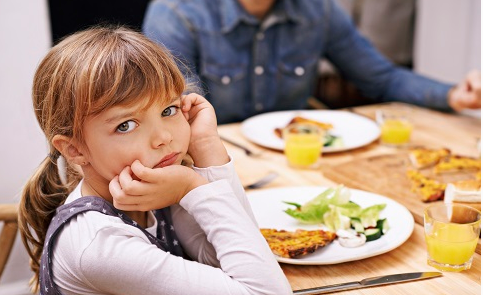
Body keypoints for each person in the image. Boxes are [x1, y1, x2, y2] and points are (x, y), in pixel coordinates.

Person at [18, 26, 292, 295]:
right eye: (126, 125)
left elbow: (240, 259)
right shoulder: (99, 246)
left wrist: (207, 148)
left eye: (169, 109)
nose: (162, 137)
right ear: (75, 150)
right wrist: (193, 188)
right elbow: (267, 290)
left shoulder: (158, 187)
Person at [142, 0, 481, 124]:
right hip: (216, 163)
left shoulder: (318, 9)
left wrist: (453, 95)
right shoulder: (175, 13)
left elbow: (381, 78)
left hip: (303, 153)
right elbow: (175, 116)